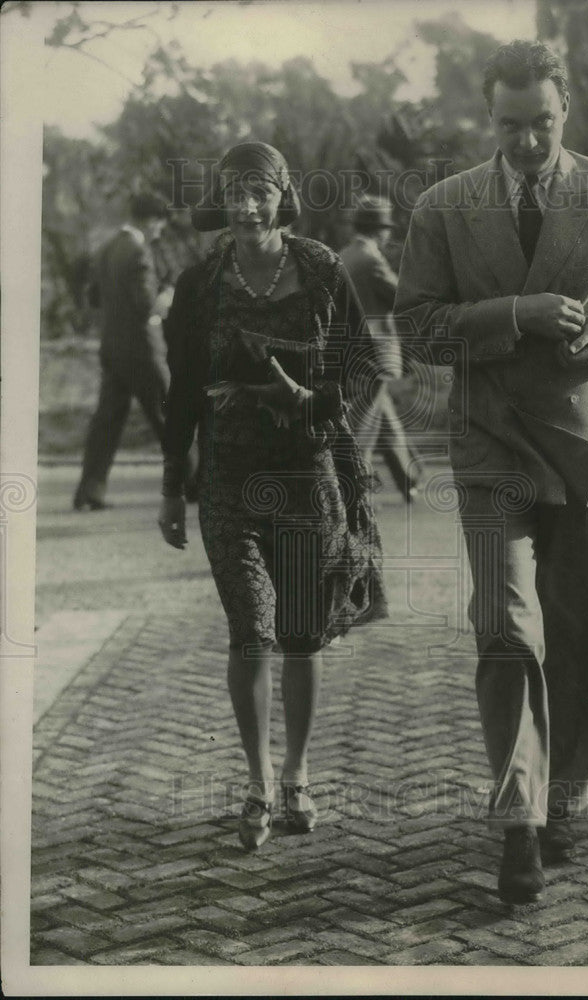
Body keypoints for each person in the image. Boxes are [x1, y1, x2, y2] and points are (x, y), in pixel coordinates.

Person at [395, 40, 588, 904]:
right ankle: (518, 820)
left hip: (584, 444)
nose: (526, 141)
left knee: (575, 636)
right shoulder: (444, 207)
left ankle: (565, 797)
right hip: (490, 443)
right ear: (485, 119)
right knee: (502, 627)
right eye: (508, 124)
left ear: (565, 112)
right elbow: (417, 326)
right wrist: (514, 313)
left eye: (541, 123)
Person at [157, 142, 387, 851]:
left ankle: (296, 776)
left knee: (298, 637)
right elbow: (181, 397)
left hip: (305, 480)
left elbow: (362, 369)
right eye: (235, 190)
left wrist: (296, 398)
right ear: (221, 199)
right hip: (228, 482)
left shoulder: (320, 270)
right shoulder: (200, 284)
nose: (248, 204)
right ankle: (256, 784)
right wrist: (172, 486)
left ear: (283, 195)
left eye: (261, 190)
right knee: (249, 633)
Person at [74, 192, 193, 510]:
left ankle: (89, 491)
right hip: (143, 350)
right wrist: (168, 293)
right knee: (171, 413)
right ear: (152, 220)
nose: (159, 233)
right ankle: (197, 485)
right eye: (160, 226)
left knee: (107, 422)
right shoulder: (139, 251)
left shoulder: (107, 249)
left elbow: (95, 299)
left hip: (112, 348)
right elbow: (147, 306)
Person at [340, 196, 424, 502]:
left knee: (380, 414)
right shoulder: (370, 259)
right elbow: (403, 297)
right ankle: (351, 485)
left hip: (350, 351)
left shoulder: (346, 254)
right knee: (364, 422)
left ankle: (409, 477)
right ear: (380, 230)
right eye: (386, 228)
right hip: (373, 353)